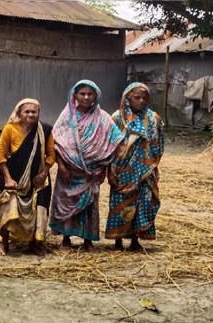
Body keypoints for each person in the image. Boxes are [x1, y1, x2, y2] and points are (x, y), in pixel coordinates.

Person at [49, 80, 124, 252]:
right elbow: (56, 142)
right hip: (68, 170)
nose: (86, 97)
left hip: (92, 172)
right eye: (82, 93)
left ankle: (87, 240)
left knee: (90, 205)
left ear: (96, 96)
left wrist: (105, 169)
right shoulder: (67, 116)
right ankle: (65, 239)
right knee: (65, 202)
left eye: (90, 94)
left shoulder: (103, 118)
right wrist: (61, 165)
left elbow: (114, 143)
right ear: (74, 95)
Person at [106, 82, 165, 251]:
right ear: (127, 98)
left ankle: (135, 240)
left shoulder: (154, 119)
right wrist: (110, 169)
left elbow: (159, 143)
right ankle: (117, 239)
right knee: (120, 204)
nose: (140, 101)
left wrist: (149, 164)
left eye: (144, 98)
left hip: (145, 171)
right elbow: (110, 144)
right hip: (122, 169)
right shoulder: (117, 117)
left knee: (142, 204)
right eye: (136, 97)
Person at [0, 98, 55, 256]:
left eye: (34, 111)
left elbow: (51, 155)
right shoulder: (9, 129)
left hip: (37, 179)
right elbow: (1, 155)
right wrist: (8, 179)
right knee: (9, 209)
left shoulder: (45, 129)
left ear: (38, 113)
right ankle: (4, 244)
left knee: (39, 210)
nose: (30, 114)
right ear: (19, 113)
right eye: (26, 111)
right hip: (13, 177)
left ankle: (35, 243)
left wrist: (43, 174)